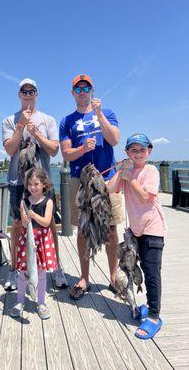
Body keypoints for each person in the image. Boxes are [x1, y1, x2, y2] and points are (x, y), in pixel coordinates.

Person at [59, 74, 123, 300]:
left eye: (86, 88)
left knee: (111, 228)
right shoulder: (67, 121)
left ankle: (114, 277)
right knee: (83, 229)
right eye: (78, 89)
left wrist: (98, 115)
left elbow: (114, 140)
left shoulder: (108, 113)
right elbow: (65, 153)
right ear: (73, 93)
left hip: (106, 179)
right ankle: (84, 277)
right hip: (80, 180)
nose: (82, 91)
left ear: (92, 90)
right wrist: (82, 150)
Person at [2, 78, 68, 291]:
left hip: (43, 183)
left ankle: (56, 268)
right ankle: (15, 270)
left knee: (48, 225)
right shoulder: (9, 121)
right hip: (18, 183)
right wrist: (21, 126)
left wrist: (36, 133)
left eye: (32, 92)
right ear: (19, 95)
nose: (28, 95)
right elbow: (11, 150)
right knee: (18, 226)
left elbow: (54, 150)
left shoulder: (48, 120)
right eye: (24, 92)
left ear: (37, 95)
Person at [108, 133, 166, 339]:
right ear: (127, 153)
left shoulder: (150, 171)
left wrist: (130, 177)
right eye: (133, 150)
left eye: (142, 149)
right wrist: (121, 170)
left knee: (152, 273)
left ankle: (153, 317)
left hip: (153, 230)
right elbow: (110, 189)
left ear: (149, 151)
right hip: (135, 232)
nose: (138, 153)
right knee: (136, 269)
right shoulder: (128, 171)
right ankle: (149, 306)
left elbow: (143, 197)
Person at [10, 168, 57, 319]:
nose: (33, 187)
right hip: (28, 241)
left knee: (41, 274)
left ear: (44, 184)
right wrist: (25, 218)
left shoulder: (48, 201)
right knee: (24, 274)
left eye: (36, 183)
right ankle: (20, 301)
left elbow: (46, 222)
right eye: (30, 184)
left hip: (42, 241)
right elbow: (24, 225)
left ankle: (41, 303)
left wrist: (34, 215)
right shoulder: (24, 202)